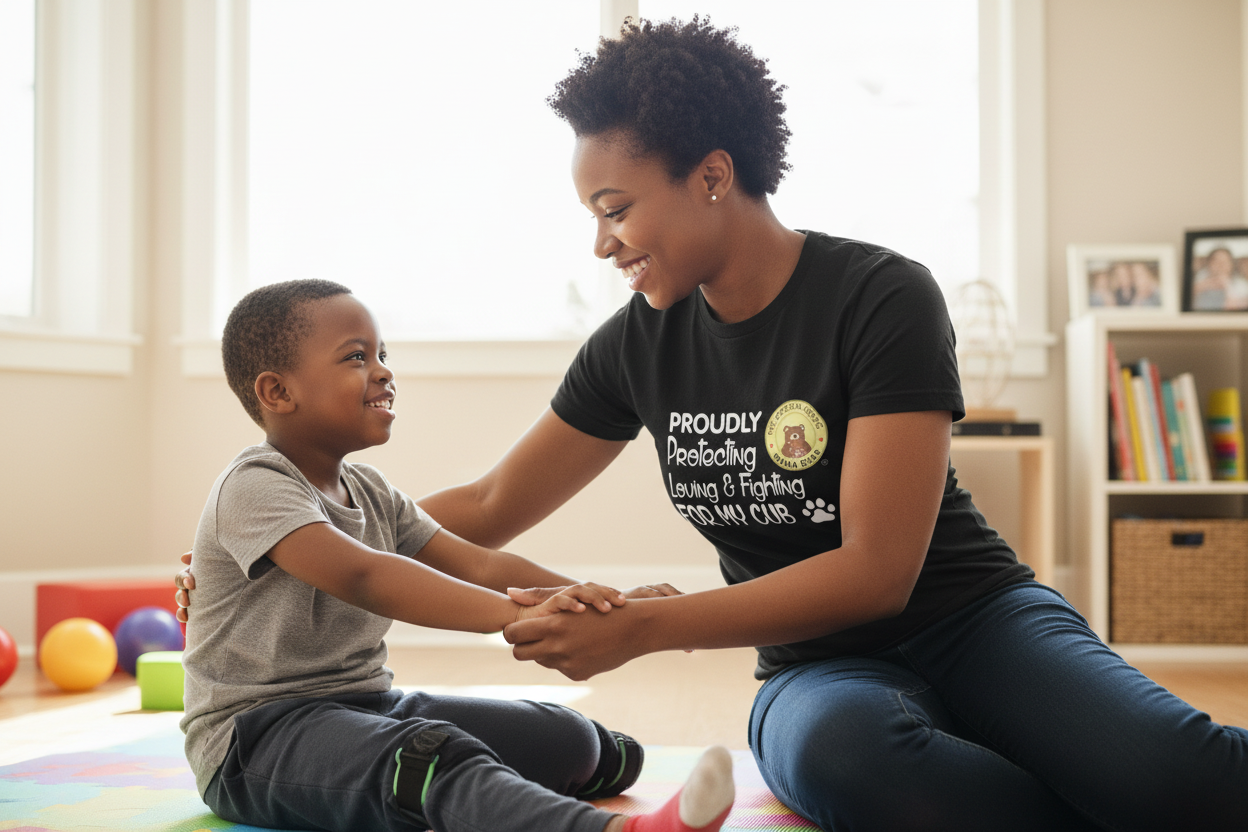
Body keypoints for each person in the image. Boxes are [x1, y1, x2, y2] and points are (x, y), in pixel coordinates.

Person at [180, 17, 1248, 831]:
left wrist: (647, 623)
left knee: (1172, 771)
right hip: (814, 670)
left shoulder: (880, 294)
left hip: (976, 617)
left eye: (616, 207)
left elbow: (878, 571)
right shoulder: (638, 341)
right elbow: (490, 506)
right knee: (849, 763)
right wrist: (269, 553)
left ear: (711, 176)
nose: (603, 244)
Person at [180, 278, 735, 832]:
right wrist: (516, 617)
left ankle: (593, 759)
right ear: (277, 393)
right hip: (255, 739)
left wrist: (604, 602)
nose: (382, 370)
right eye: (355, 357)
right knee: (428, 760)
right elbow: (364, 575)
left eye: (382, 354)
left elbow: (482, 565)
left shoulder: (372, 491)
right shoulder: (254, 484)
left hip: (366, 704)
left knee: (566, 738)